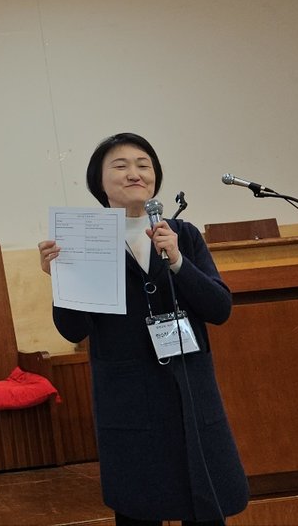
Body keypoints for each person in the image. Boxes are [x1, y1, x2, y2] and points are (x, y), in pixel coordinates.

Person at [38, 132, 248, 526]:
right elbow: (74, 330)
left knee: (204, 501)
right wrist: (62, 281)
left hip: (189, 387)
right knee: (138, 505)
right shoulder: (85, 240)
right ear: (99, 182)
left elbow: (219, 309)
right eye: (120, 166)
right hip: (128, 394)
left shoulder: (183, 235)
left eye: (144, 165)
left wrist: (179, 262)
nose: (135, 173)